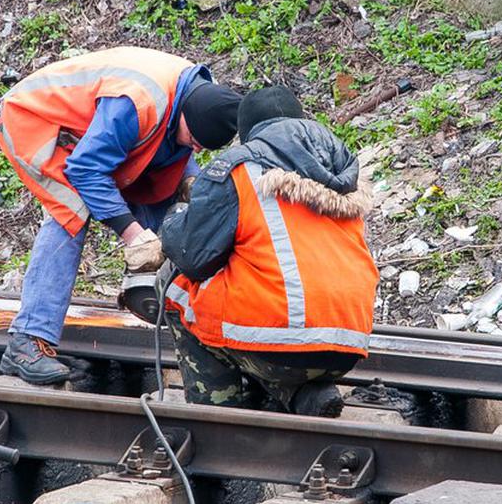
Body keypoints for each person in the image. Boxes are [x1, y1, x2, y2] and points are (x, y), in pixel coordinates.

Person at [0, 45, 240, 384]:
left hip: (101, 134)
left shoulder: (199, 95)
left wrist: (189, 182)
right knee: (71, 215)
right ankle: (26, 342)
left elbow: (176, 142)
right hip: (43, 125)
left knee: (167, 207)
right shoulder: (137, 103)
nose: (195, 147)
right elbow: (85, 169)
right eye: (195, 140)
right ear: (189, 118)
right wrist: (132, 234)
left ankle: (192, 327)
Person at [160, 85, 379, 418]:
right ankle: (302, 394)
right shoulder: (343, 170)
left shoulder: (239, 169)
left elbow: (194, 257)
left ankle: (218, 412)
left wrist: (173, 220)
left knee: (176, 285)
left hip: (277, 348)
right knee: (263, 304)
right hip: (348, 346)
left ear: (248, 134)